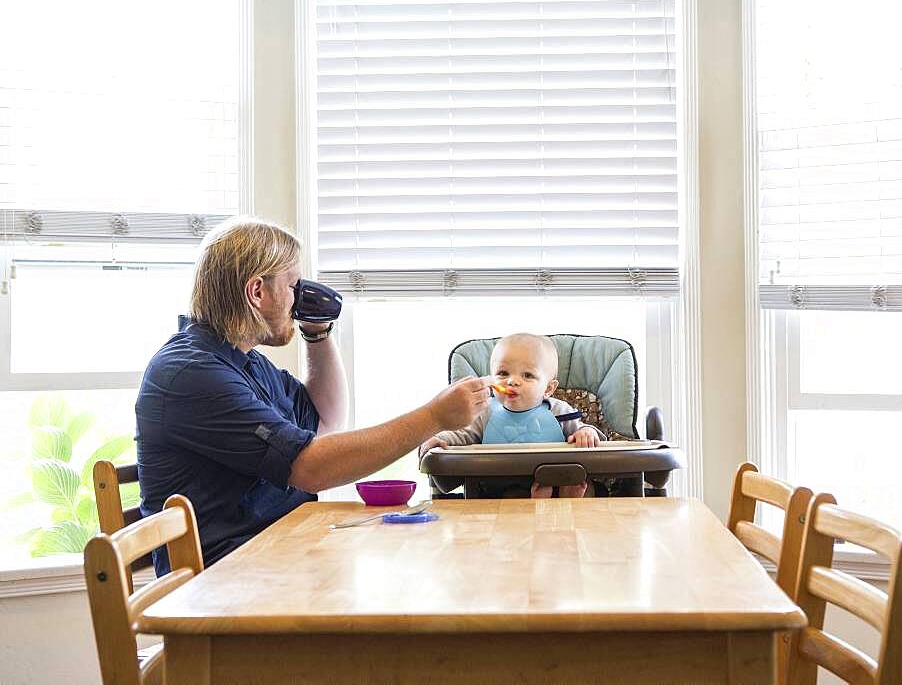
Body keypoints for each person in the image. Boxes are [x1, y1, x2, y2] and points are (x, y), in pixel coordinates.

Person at [136, 218, 490, 575]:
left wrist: (317, 332)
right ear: (257, 292)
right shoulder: (192, 374)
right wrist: (434, 418)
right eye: (294, 286)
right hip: (226, 575)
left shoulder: (242, 362)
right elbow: (309, 467)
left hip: (271, 550)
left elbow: (325, 419)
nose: (301, 297)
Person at [419, 333, 604, 498]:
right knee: (511, 497)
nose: (512, 381)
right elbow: (461, 435)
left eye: (528, 375)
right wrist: (440, 438)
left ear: (548, 388)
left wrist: (586, 432)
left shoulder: (559, 411)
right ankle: (540, 503)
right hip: (500, 488)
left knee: (585, 487)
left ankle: (564, 501)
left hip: (556, 480)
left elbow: (581, 430)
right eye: (503, 373)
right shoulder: (484, 411)